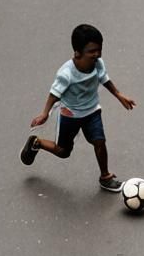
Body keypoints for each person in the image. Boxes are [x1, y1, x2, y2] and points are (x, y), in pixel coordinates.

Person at [20, 23, 136, 191]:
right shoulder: (66, 73)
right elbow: (54, 93)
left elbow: (104, 79)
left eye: (99, 49)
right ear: (77, 53)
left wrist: (119, 95)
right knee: (63, 152)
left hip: (92, 112)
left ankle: (105, 176)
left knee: (100, 142)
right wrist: (45, 113)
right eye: (91, 51)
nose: (96, 54)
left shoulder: (97, 63)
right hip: (70, 115)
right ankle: (37, 143)